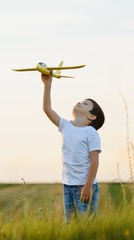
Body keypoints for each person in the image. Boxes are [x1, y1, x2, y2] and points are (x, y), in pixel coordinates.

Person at [41, 72, 105, 223]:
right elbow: (47, 109)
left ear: (92, 116)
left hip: (85, 185)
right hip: (68, 186)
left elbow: (94, 161)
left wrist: (88, 186)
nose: (80, 102)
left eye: (85, 104)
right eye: (82, 101)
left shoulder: (91, 132)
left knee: (87, 224)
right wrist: (47, 85)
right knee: (71, 224)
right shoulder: (66, 126)